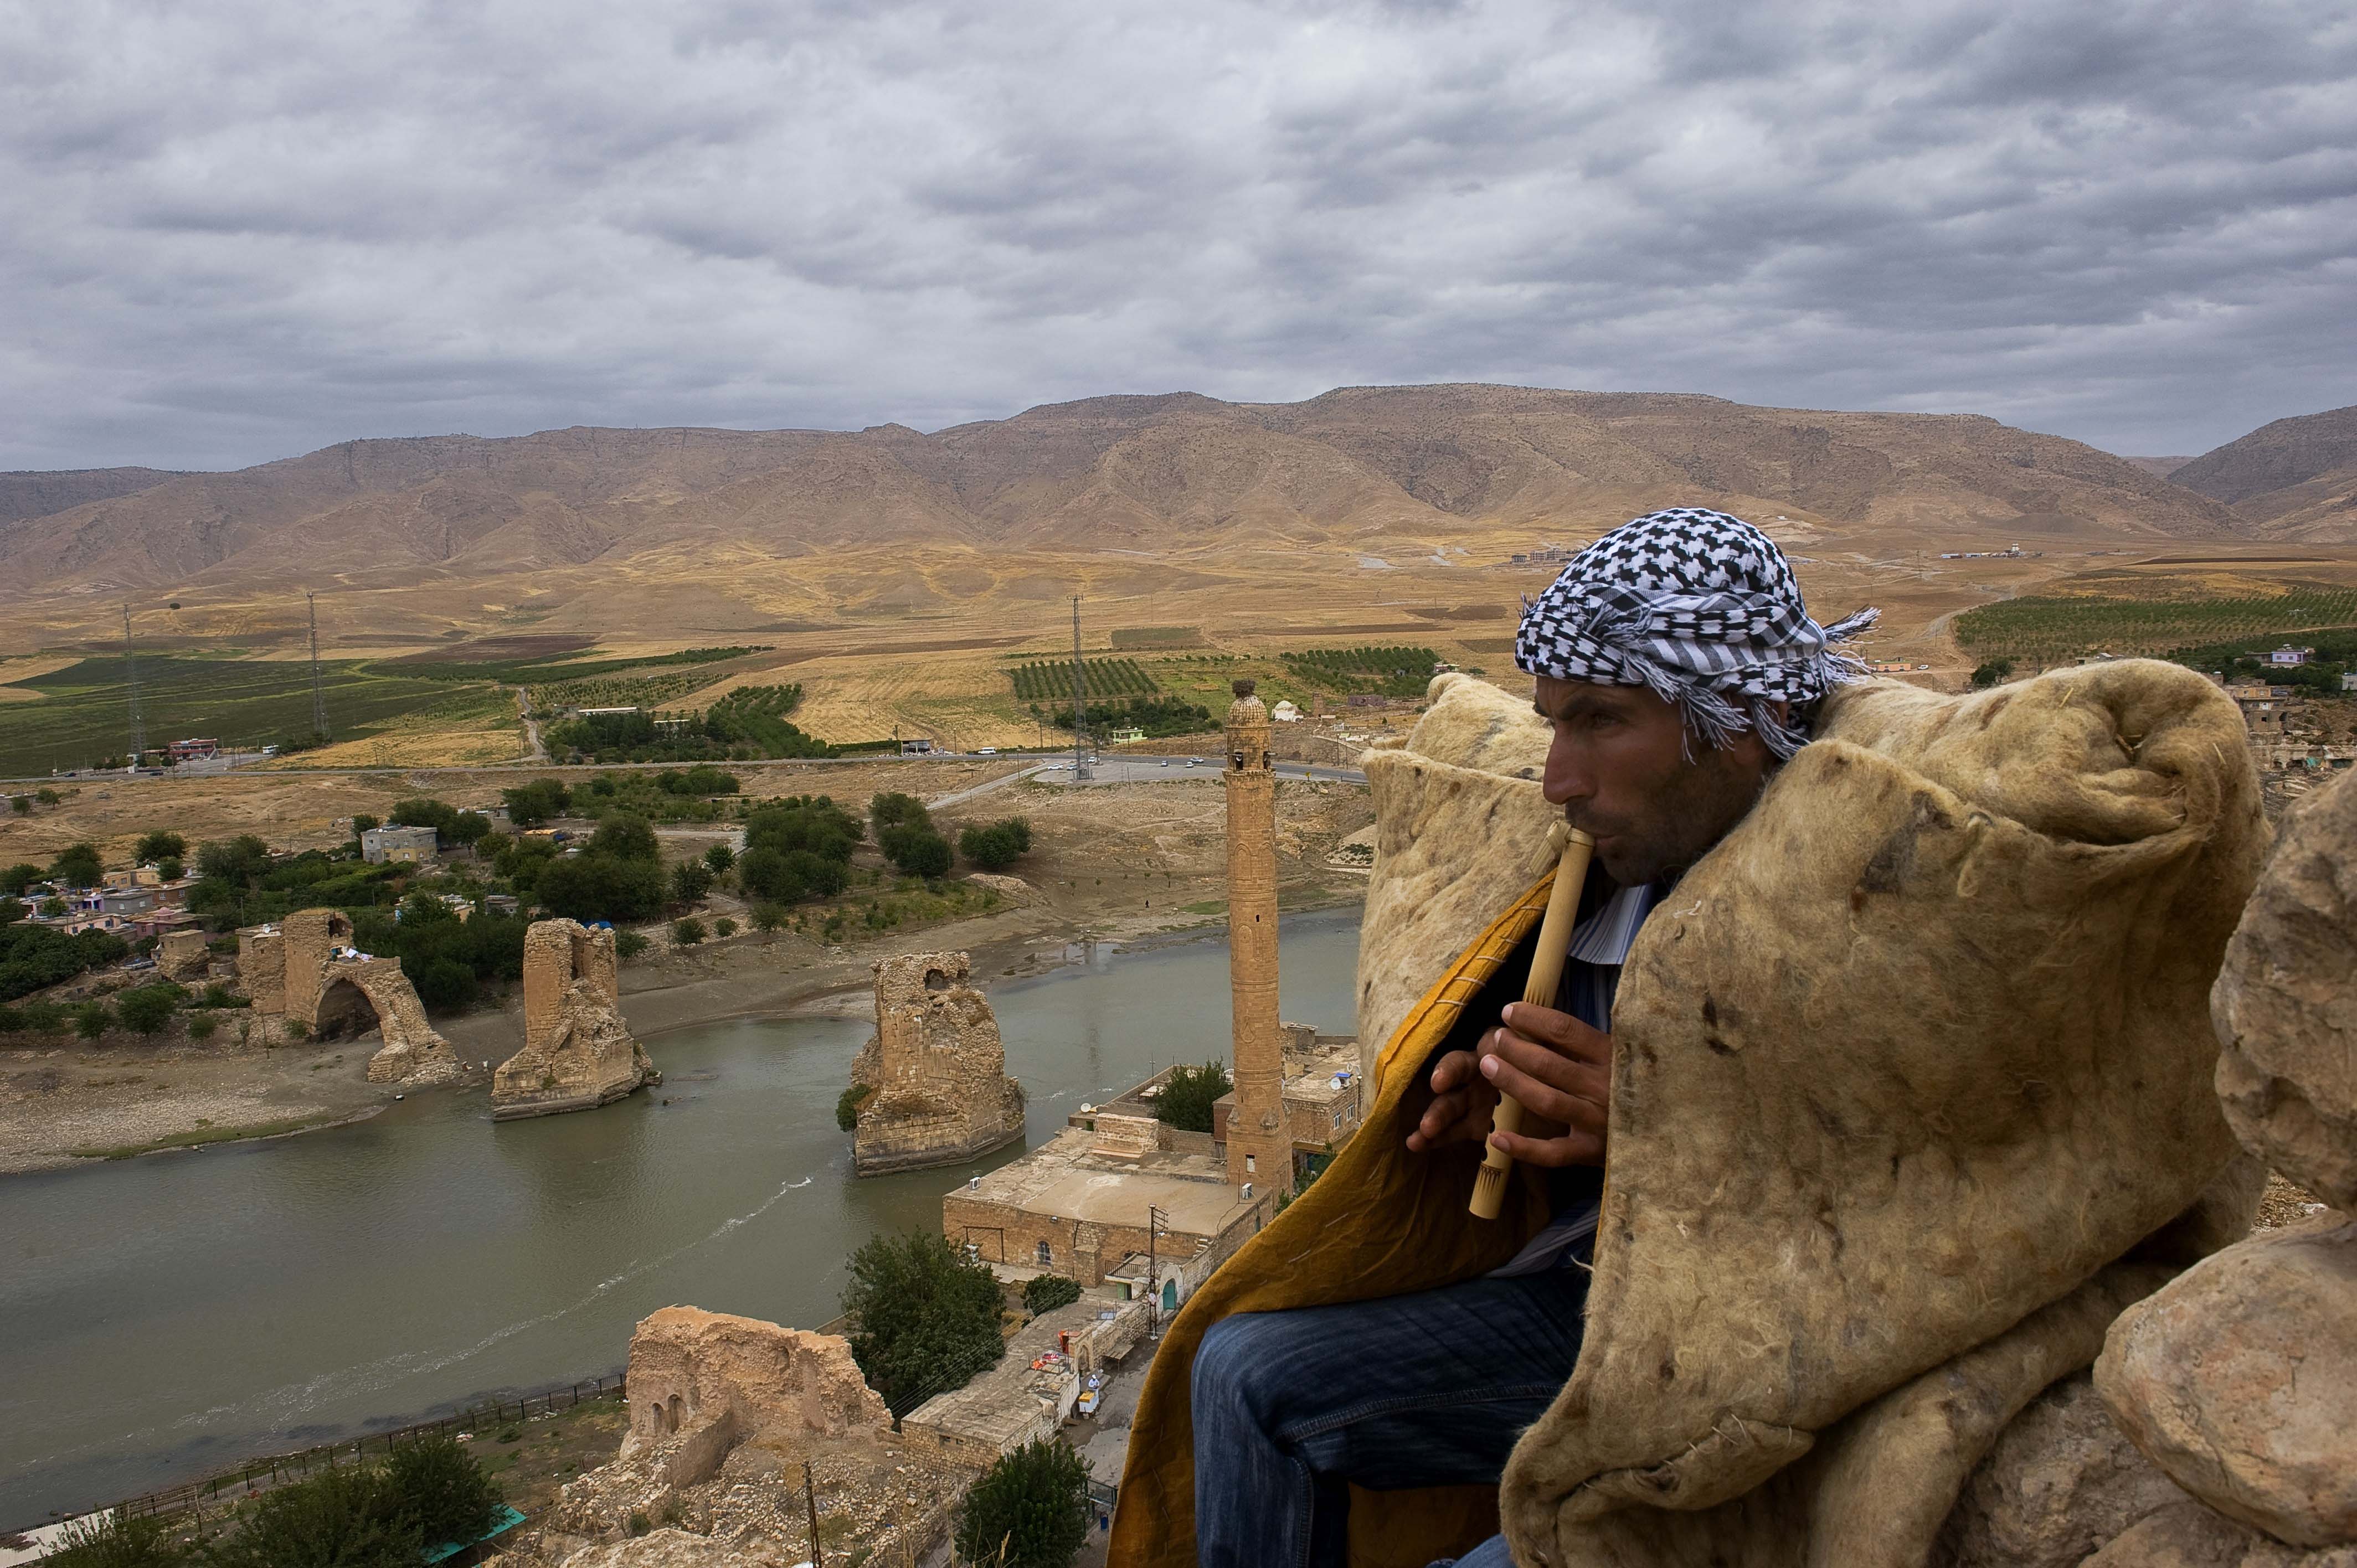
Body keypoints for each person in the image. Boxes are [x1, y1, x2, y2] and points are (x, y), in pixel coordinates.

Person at [1185, 508, 1877, 1568]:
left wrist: (1655, 1119)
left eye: (1600, 721)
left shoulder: (1862, 913)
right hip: (1589, 1310)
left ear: (1737, 714)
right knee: (1238, 1371)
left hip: (1746, 1358)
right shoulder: (1617, 885)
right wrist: (1506, 1114)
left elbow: (1918, 1187)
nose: (1558, 780)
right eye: (1554, 724)